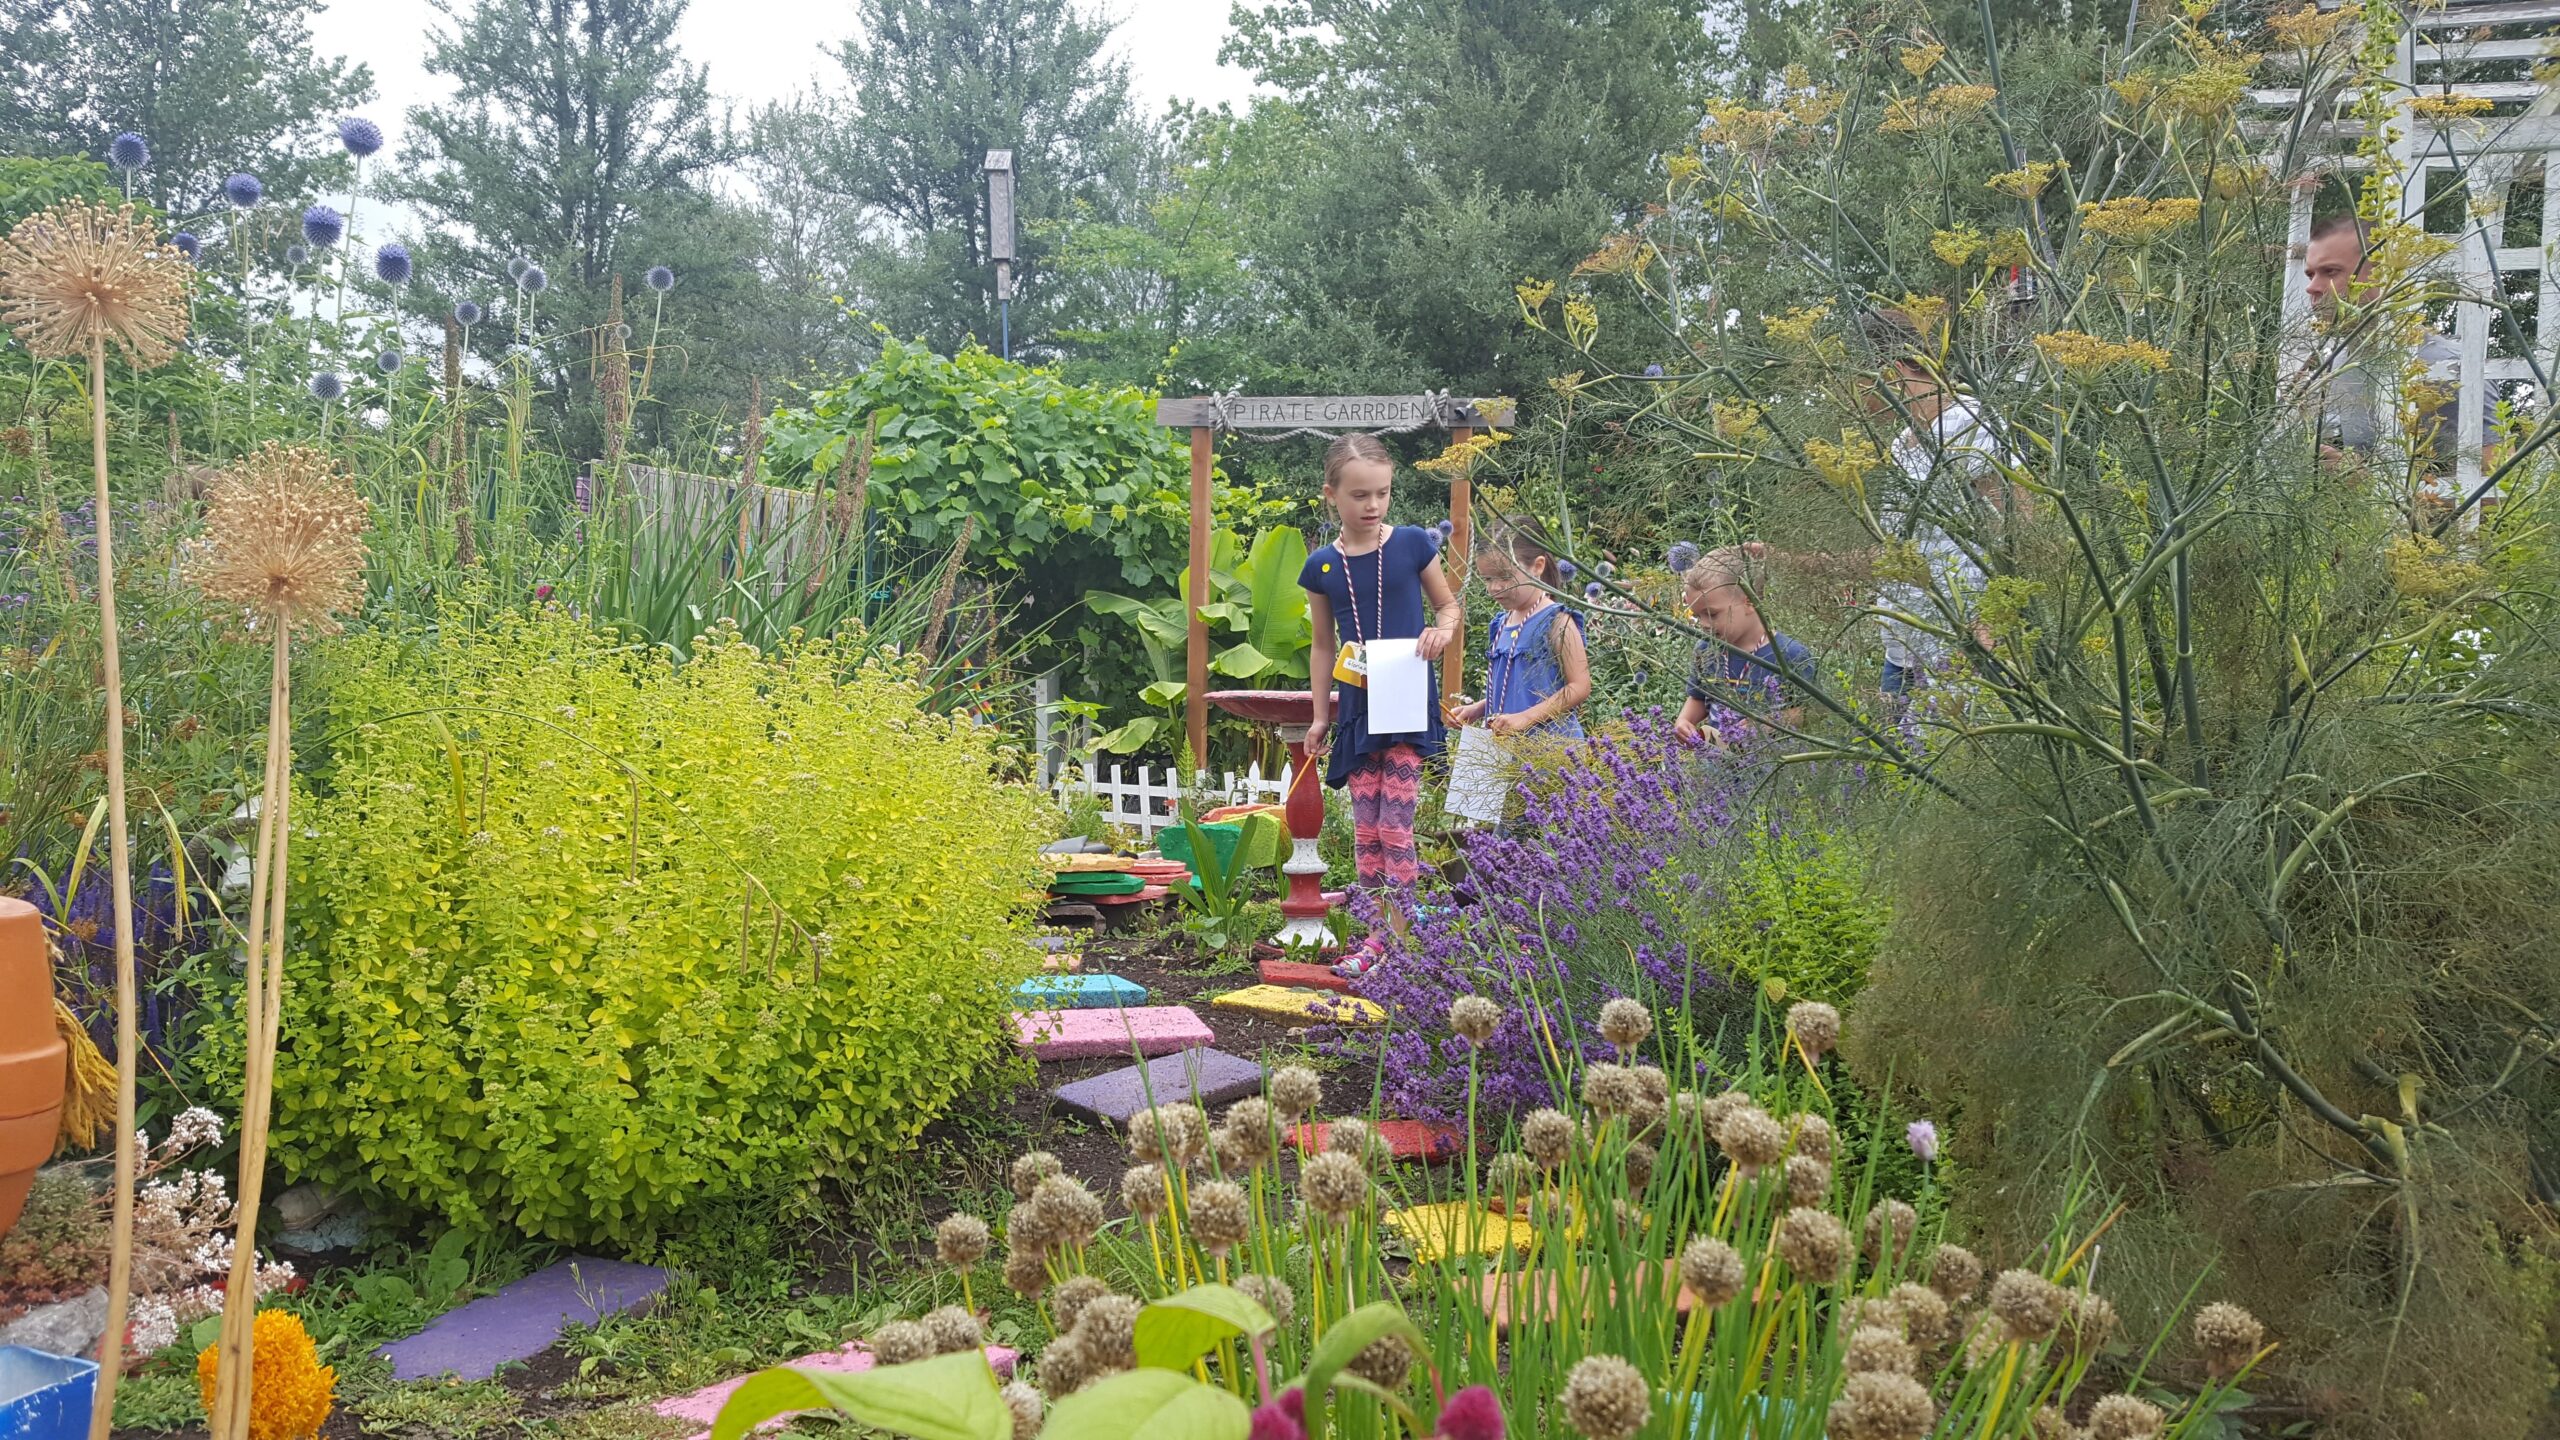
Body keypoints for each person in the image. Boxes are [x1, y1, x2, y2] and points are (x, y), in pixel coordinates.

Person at [1299, 433, 1463, 978]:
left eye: (1383, 493)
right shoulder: (1323, 566)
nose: (1373, 506)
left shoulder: (1414, 543)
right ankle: (1376, 935)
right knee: (1365, 831)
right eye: (1360, 496)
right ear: (1332, 496)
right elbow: (1323, 645)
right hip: (1359, 711)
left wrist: (1439, 634)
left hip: (1408, 705)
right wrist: (1322, 715)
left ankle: (1396, 942)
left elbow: (1447, 607)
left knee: (1396, 827)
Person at [1861, 313, 2024, 701]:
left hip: (1963, 643)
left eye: (1860, 378)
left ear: (1895, 370)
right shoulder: (1903, 440)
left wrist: (1990, 625)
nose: (1856, 392)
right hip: (1904, 649)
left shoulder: (1971, 422)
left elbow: (2020, 525)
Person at [2299, 212, 2495, 499]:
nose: (2312, 288)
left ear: (2386, 274)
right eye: (2310, 274)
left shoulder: (2443, 366)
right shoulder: (2339, 365)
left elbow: (2498, 490)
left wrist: (2371, 489)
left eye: (2331, 272)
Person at [1450, 520, 1591, 739]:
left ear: (1538, 566)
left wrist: (1525, 718)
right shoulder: (1501, 624)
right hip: (1508, 753)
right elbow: (1518, 689)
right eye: (1487, 578)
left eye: (1505, 576)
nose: (1495, 587)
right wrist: (1478, 709)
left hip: (1552, 753)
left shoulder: (1557, 621)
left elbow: (1579, 686)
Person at [1675, 546, 1812, 745]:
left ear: (1749, 603)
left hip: (1772, 766)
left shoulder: (1790, 654)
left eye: (1712, 614)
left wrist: (1769, 723)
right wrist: (1684, 721)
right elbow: (1698, 697)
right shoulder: (1705, 650)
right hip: (1717, 767)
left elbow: (1806, 712)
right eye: (1697, 616)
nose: (1704, 624)